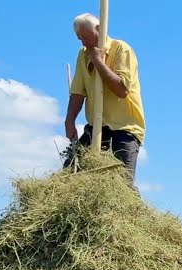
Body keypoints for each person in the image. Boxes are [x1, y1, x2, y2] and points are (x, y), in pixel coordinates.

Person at [64, 13, 145, 180]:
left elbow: (121, 90)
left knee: (122, 183)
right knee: (70, 173)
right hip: (96, 128)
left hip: (124, 129)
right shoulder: (83, 54)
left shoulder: (121, 49)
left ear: (100, 30)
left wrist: (99, 62)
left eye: (86, 37)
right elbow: (78, 92)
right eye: (79, 39)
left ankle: (131, 206)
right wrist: (70, 120)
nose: (84, 43)